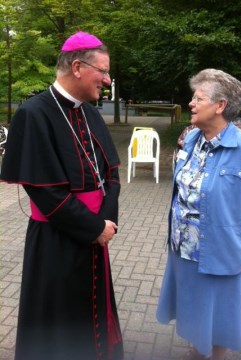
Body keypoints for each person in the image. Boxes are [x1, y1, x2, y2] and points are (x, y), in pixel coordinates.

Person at [0, 31, 123, 360]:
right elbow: (46, 193)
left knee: (94, 311)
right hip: (57, 238)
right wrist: (94, 229)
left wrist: (107, 221)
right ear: (79, 67)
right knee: (59, 317)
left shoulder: (90, 113)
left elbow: (110, 174)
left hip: (97, 231)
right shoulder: (34, 113)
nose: (108, 80)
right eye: (104, 70)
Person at [156, 68, 241, 360]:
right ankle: (196, 351)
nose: (191, 103)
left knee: (219, 314)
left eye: (198, 98)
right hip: (184, 248)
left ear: (220, 106)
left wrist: (227, 224)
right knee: (194, 306)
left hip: (220, 250)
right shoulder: (192, 140)